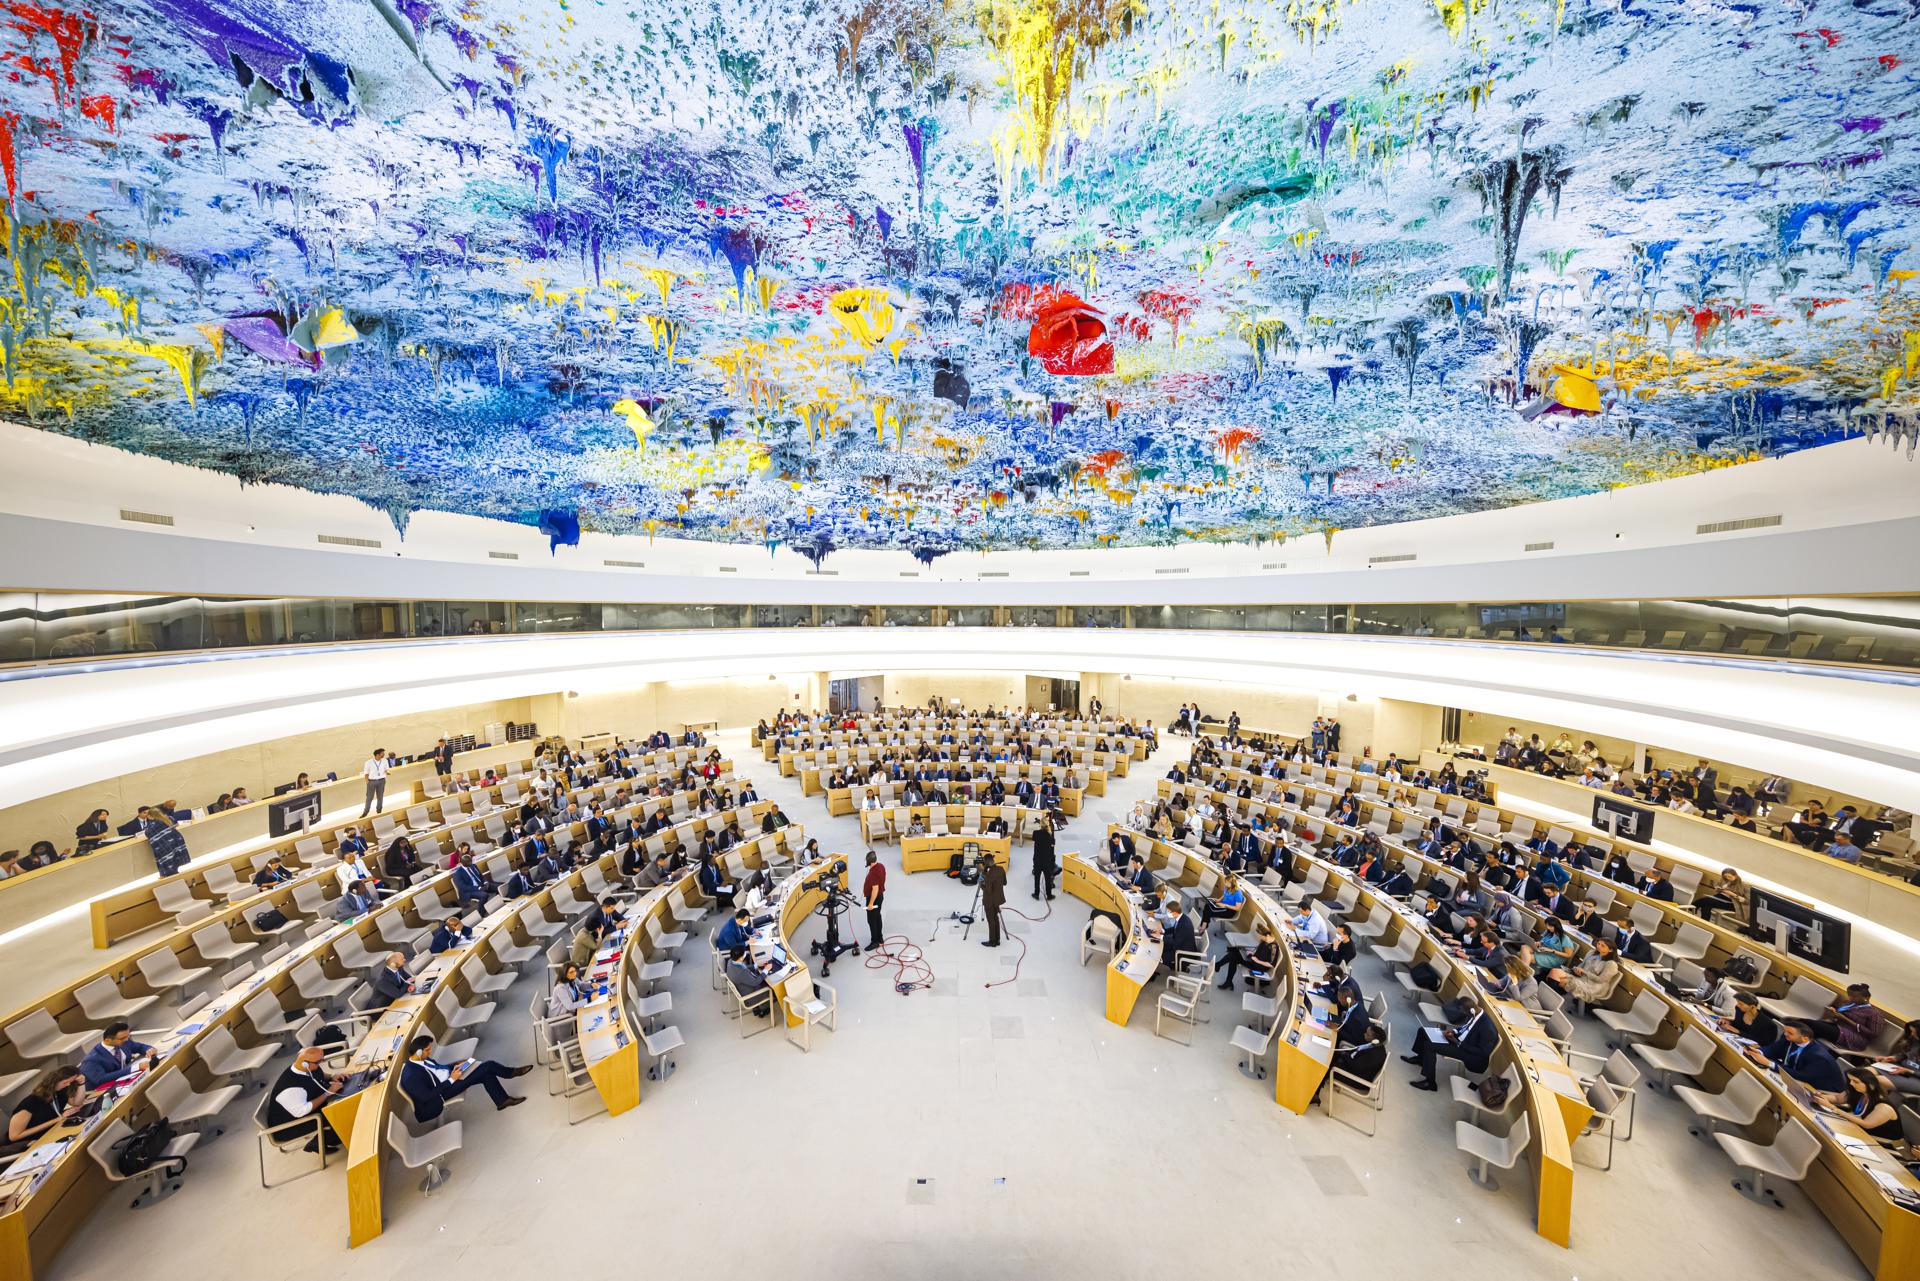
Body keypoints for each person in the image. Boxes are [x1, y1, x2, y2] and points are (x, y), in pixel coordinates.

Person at [397, 1034, 531, 1119]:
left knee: (486, 1073)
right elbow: (427, 1096)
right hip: (441, 1095)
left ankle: (502, 1101)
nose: (430, 1051)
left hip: (450, 1079)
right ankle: (511, 1073)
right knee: (488, 1066)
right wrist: (451, 1079)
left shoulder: (422, 1058)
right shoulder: (411, 1076)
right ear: (419, 1051)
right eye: (428, 1050)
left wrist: (454, 1067)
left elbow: (438, 1070)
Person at [1405, 994, 1497, 1091]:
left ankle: (1430, 1083)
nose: (1462, 1014)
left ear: (1471, 1010)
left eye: (1463, 1012)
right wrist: (1453, 1032)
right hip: (1459, 1041)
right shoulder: (1474, 1013)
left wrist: (1458, 1043)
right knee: (1422, 1031)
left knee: (1430, 1046)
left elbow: (1483, 1052)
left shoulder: (1488, 1028)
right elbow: (1465, 1027)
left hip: (1471, 1054)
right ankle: (1420, 1059)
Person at [266, 1045, 346, 1153]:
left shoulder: (307, 1067)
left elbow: (319, 1076)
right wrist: (328, 1093)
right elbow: (303, 1110)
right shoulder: (291, 1088)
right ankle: (317, 1142)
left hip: (302, 1111)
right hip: (290, 1126)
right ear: (305, 1063)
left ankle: (331, 1138)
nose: (320, 1064)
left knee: (342, 1104)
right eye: (318, 1062)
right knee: (339, 1114)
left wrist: (332, 1077)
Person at [1746, 1020, 1846, 1093]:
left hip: (1821, 1089)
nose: (1785, 1034)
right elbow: (1774, 1049)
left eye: (1790, 1033)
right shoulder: (1788, 1038)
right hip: (1795, 1076)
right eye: (1785, 1031)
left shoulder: (1819, 1057)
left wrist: (1770, 1064)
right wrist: (1759, 1051)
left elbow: (1802, 1076)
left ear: (1805, 1039)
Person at [9, 1065, 88, 1143]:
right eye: (65, 1082)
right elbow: (14, 1136)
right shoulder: (30, 1103)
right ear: (54, 1081)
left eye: (70, 1082)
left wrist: (81, 1083)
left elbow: (76, 1103)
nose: (68, 1085)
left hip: (51, 1132)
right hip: (29, 1142)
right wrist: (58, 1119)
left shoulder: (60, 1090)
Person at [1821, 1069, 1905, 1144]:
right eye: (1850, 1080)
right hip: (1860, 1132)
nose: (1851, 1083)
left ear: (1870, 1085)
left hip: (1881, 1142)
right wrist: (1821, 1097)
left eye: (1855, 1081)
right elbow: (1837, 1098)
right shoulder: (1859, 1092)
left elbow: (1866, 1124)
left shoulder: (1884, 1106)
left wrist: (1833, 1108)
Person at [1809, 984, 1886, 1051]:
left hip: (1854, 1037)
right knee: (1807, 1027)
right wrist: (1834, 1013)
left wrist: (1845, 1019)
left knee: (1809, 1025)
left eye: (1854, 996)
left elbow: (1873, 1034)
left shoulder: (1874, 1013)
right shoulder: (1849, 1004)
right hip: (1838, 1027)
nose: (1850, 998)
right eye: (1849, 995)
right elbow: (1837, 1018)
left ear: (1867, 998)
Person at [80, 1022, 157, 1089]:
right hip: (102, 1091)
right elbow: (100, 1079)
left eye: (128, 1036)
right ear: (108, 1040)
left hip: (126, 1081)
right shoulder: (91, 1060)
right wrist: (135, 1068)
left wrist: (149, 1050)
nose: (127, 1039)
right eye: (122, 1038)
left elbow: (140, 1047)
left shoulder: (124, 1041)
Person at [1217, 920, 1278, 989]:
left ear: (1267, 935)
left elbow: (1271, 964)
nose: (1259, 937)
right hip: (1253, 960)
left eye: (1260, 936)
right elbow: (1260, 951)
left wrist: (1257, 960)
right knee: (1234, 953)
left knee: (1233, 957)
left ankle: (1226, 978)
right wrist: (1252, 953)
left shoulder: (1273, 947)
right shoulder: (1265, 940)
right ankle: (1227, 979)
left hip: (1259, 966)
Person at [725, 946, 778, 1018]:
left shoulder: (730, 961)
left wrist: (756, 965)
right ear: (741, 958)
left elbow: (744, 967)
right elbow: (756, 982)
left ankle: (760, 1007)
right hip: (751, 996)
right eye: (744, 953)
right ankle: (764, 1009)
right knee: (772, 985)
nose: (745, 954)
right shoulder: (741, 972)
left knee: (761, 975)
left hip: (744, 988)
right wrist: (766, 970)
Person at [979, 851, 1007, 948]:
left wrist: (981, 885)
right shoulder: (1001, 869)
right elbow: (1005, 883)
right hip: (998, 899)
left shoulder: (989, 875)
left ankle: (992, 941)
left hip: (989, 901)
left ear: (986, 863)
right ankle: (997, 939)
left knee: (991, 920)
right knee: (996, 919)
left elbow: (988, 890)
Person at [861, 850, 886, 950]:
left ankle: (874, 941)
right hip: (880, 897)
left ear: (869, 862)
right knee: (877, 917)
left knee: (871, 920)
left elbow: (875, 889)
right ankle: (880, 939)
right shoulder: (881, 866)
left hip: (874, 898)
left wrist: (870, 903)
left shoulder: (873, 873)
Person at [1031, 820, 1058, 900]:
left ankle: (1036, 894)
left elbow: (1033, 839)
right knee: (1048, 879)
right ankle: (1049, 895)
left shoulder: (1035, 833)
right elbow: (1052, 851)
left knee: (1037, 878)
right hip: (1047, 861)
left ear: (1040, 825)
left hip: (1037, 860)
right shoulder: (1051, 837)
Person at [361, 747, 391, 816]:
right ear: (377, 755)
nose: (383, 755)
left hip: (382, 780)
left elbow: (386, 769)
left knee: (380, 796)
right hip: (372, 782)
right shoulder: (368, 762)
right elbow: (366, 773)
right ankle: (365, 812)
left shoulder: (385, 761)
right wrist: (367, 782)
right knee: (369, 797)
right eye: (382, 754)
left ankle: (379, 811)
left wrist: (387, 772)